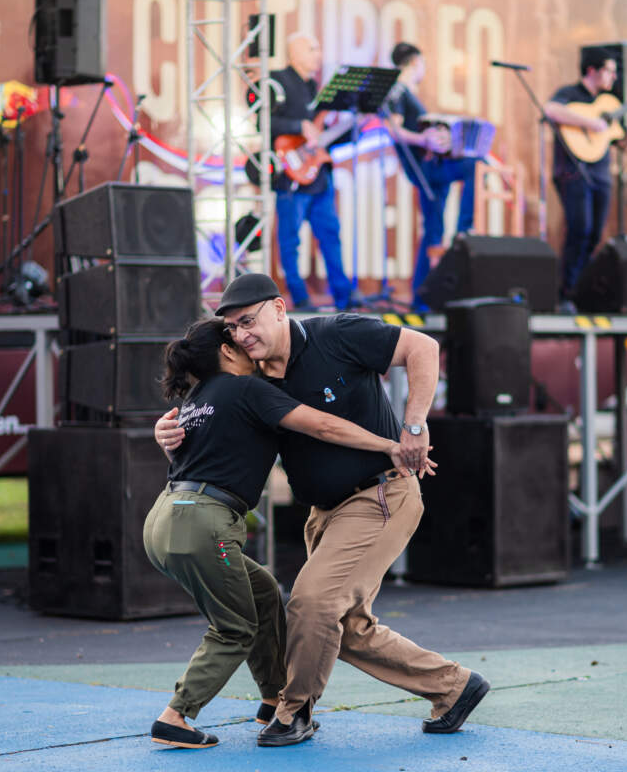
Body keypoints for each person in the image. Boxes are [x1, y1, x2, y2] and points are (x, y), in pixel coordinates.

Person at [155, 273, 489, 747]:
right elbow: (212, 427)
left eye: (249, 321)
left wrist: (413, 426)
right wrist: (165, 436)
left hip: (378, 496)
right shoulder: (249, 376)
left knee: (311, 603)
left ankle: (293, 713)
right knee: (344, 628)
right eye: (233, 330)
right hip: (324, 512)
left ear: (278, 307)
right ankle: (453, 687)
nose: (243, 335)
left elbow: (423, 349)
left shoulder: (337, 334)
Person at [544, 45, 627, 311]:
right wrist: (590, 124)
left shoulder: (611, 105)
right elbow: (550, 109)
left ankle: (582, 292)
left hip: (600, 175)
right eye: (608, 70)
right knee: (579, 229)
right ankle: (566, 293)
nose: (613, 76)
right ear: (592, 70)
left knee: (595, 234)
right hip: (573, 172)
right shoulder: (570, 94)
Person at [384, 42, 476, 311]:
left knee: (433, 231)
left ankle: (421, 298)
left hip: (430, 166)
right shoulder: (398, 90)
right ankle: (465, 229)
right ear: (415, 63)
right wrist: (424, 138)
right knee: (473, 165)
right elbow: (394, 130)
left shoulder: (406, 92)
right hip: (425, 168)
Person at [269, 33, 353, 312]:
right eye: (312, 48)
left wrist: (353, 127)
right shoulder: (277, 80)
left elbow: (320, 135)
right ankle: (299, 298)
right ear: (293, 53)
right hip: (291, 174)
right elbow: (262, 120)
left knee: (331, 235)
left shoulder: (314, 87)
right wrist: (297, 126)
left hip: (318, 175)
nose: (318, 54)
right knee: (290, 240)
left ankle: (344, 296)